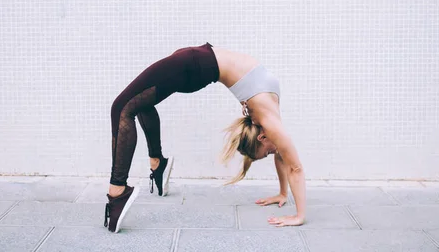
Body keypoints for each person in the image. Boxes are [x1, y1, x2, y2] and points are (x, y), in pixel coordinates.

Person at [104, 42, 306, 232]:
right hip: (194, 64)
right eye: (267, 153)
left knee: (134, 104)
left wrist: (283, 192)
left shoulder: (269, 112)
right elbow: (295, 167)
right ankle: (119, 191)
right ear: (261, 138)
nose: (273, 151)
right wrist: (299, 215)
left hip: (197, 61)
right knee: (122, 108)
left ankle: (157, 166)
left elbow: (283, 156)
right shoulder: (269, 122)